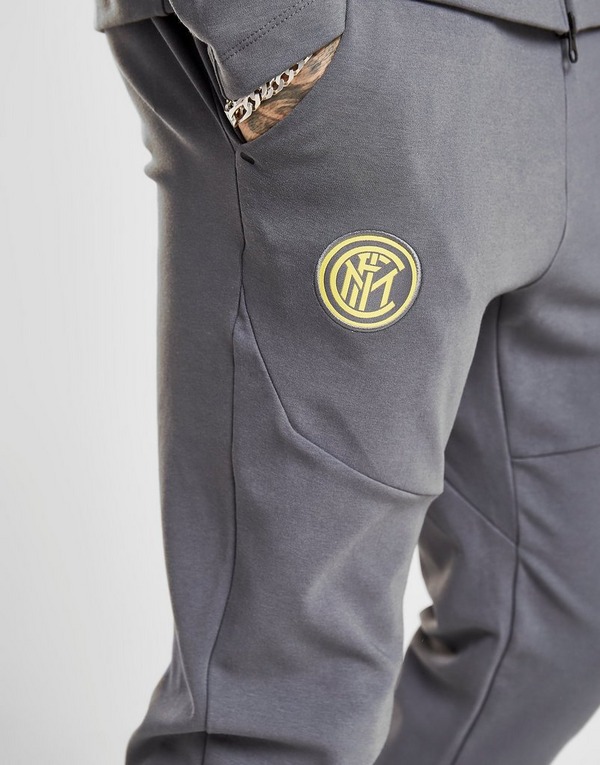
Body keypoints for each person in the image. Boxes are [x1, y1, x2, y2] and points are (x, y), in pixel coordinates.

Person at [94, 0, 600, 762]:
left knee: (552, 628)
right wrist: (275, 35)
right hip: (380, 47)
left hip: (577, 60)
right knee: (284, 697)